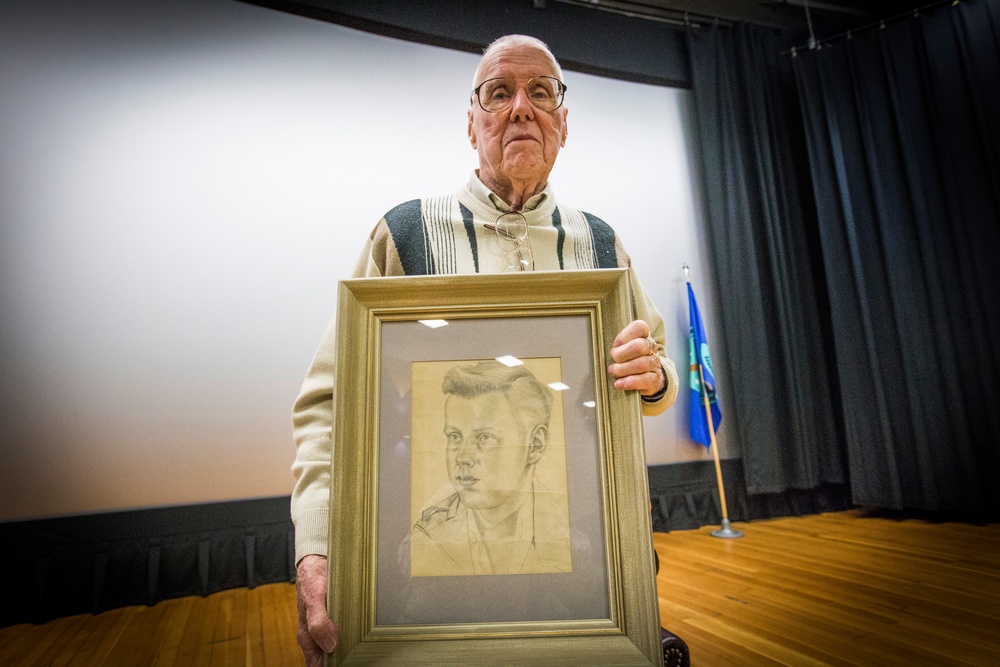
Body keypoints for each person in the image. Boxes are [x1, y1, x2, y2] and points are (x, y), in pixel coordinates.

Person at [291, 34, 679, 665]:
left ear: (562, 122)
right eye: (499, 94)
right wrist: (318, 547)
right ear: (472, 125)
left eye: (540, 93)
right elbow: (328, 406)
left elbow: (656, 373)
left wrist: (655, 377)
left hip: (593, 566)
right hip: (426, 580)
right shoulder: (405, 233)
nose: (521, 108)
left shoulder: (602, 243)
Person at [410, 361, 571, 577]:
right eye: (455, 436)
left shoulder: (569, 531)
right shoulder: (428, 536)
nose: (462, 458)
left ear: (535, 445)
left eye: (485, 437)